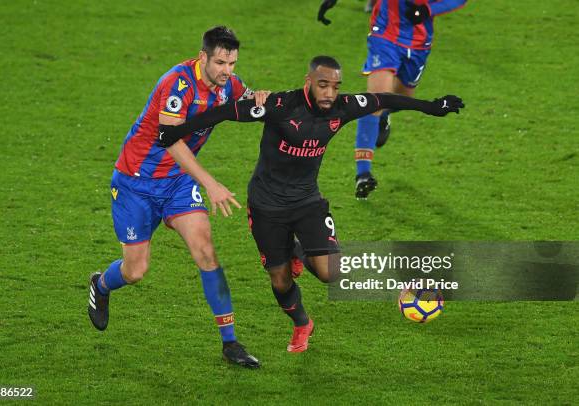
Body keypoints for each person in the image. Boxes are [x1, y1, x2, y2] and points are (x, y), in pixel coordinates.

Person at [157, 55, 464, 352]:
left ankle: (298, 249)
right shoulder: (279, 106)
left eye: (336, 85)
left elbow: (384, 99)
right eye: (323, 84)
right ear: (309, 81)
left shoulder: (342, 108)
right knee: (279, 280)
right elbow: (226, 112)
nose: (330, 92)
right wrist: (175, 132)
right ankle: (302, 322)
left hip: (307, 203)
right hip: (266, 206)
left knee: (330, 271)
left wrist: (432, 107)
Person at [88, 26, 267, 368]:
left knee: (206, 249)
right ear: (203, 57)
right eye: (220, 63)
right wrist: (211, 184)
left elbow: (248, 99)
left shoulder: (229, 84)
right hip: (135, 184)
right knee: (135, 270)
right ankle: (101, 284)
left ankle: (230, 343)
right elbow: (171, 140)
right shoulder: (177, 84)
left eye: (232, 63)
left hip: (178, 183)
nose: (227, 71)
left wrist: (262, 97)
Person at [318, 0, 467, 198]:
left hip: (419, 43)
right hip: (385, 34)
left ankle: (385, 114)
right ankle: (363, 173)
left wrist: (428, 10)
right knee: (375, 100)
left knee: (403, 96)